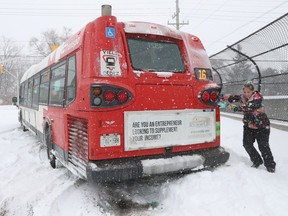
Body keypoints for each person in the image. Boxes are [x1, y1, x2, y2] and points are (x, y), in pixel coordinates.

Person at [226, 83, 276, 173]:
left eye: (248, 92)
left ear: (253, 91)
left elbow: (249, 106)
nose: (246, 93)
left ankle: (270, 165)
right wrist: (227, 99)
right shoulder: (242, 98)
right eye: (244, 91)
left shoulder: (257, 98)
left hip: (262, 126)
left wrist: (235, 107)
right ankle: (257, 161)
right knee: (247, 144)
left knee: (263, 146)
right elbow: (234, 100)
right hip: (249, 126)